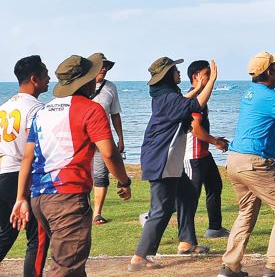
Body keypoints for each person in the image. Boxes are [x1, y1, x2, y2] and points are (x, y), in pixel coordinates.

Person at [11, 54, 132, 277]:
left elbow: (28, 157)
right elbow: (109, 152)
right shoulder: (91, 109)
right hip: (67, 198)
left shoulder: (43, 111)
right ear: (86, 81)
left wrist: (21, 197)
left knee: (72, 263)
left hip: (39, 198)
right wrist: (124, 181)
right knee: (65, 268)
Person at [217, 52, 275, 277]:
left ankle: (229, 267)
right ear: (269, 72)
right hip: (254, 164)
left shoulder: (254, 92)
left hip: (235, 161)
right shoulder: (268, 98)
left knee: (246, 212)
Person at [130, 57, 218, 271]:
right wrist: (211, 81)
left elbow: (185, 101)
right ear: (168, 75)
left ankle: (187, 242)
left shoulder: (166, 96)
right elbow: (195, 105)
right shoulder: (169, 98)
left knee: (187, 194)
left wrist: (198, 88)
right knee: (161, 209)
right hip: (161, 160)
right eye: (175, 70)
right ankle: (139, 257)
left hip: (166, 159)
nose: (179, 73)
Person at [0, 56, 51, 277]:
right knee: (38, 236)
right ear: (34, 79)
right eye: (45, 74)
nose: (49, 78)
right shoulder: (36, 109)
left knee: (7, 232)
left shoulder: (5, 107)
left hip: (3, 173)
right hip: (21, 175)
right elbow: (34, 148)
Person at [176, 60, 230, 256]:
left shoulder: (200, 98)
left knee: (215, 186)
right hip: (193, 157)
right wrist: (215, 142)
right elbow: (196, 129)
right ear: (196, 77)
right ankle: (185, 243)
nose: (211, 78)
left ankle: (215, 228)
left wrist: (213, 140)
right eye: (207, 74)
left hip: (204, 155)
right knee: (189, 199)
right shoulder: (194, 98)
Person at [88, 53, 125, 226]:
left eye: (106, 66)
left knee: (101, 174)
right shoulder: (80, 86)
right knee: (82, 174)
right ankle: (83, 209)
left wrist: (121, 138)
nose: (104, 69)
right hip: (82, 138)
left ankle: (97, 213)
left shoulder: (110, 87)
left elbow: (115, 114)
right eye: (100, 65)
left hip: (102, 137)